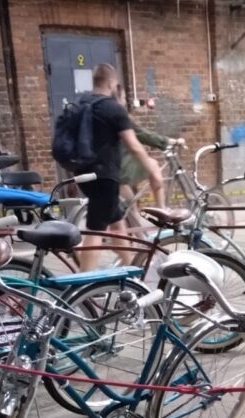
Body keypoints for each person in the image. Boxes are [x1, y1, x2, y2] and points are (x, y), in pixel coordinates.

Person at [60, 63, 165, 271]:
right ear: (111, 83)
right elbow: (134, 145)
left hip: (84, 174)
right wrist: (152, 169)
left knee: (117, 223)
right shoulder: (112, 109)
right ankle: (84, 281)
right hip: (104, 177)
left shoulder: (81, 104)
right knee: (96, 231)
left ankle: (130, 270)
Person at [120, 123, 176, 232]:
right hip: (117, 168)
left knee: (129, 206)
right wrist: (167, 141)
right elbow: (142, 134)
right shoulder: (116, 115)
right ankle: (161, 210)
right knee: (130, 207)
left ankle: (159, 211)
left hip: (103, 165)